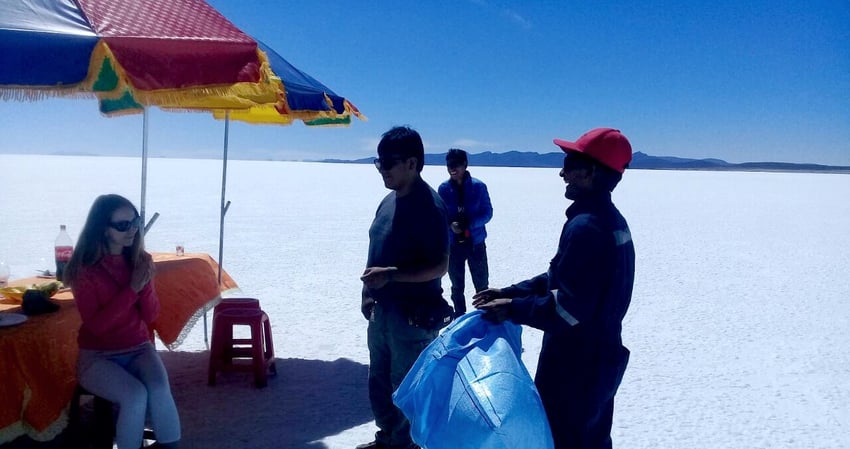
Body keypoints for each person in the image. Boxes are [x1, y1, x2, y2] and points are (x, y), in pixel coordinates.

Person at [473, 128, 635, 449]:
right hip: (598, 360)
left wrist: (510, 309)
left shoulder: (587, 227)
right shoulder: (608, 220)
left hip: (576, 370)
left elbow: (568, 311)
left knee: (567, 441)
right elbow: (560, 279)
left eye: (570, 163)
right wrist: (511, 293)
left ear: (590, 172)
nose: (562, 173)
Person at [63, 194, 181, 449]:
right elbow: (98, 327)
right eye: (122, 225)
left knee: (160, 390)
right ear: (103, 229)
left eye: (135, 222)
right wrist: (132, 287)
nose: (132, 230)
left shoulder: (139, 260)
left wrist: (145, 283)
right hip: (98, 356)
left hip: (138, 347)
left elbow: (150, 316)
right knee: (135, 396)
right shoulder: (85, 270)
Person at [359, 126, 451, 449]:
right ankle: (387, 439)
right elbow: (375, 249)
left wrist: (392, 276)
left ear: (412, 164)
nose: (382, 170)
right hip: (383, 315)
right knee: (379, 384)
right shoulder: (388, 202)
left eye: (388, 163)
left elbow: (440, 265)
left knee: (407, 389)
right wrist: (369, 294)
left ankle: (405, 446)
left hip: (412, 320)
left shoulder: (430, 207)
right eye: (378, 162)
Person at [437, 149, 493, 318]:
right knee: (457, 286)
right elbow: (441, 214)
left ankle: (485, 317)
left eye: (456, 164)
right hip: (454, 245)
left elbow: (487, 212)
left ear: (465, 165)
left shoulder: (478, 187)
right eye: (449, 165)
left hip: (475, 244)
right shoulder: (444, 189)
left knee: (482, 285)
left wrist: (469, 224)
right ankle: (460, 317)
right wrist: (450, 225)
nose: (452, 168)